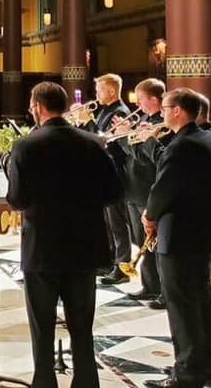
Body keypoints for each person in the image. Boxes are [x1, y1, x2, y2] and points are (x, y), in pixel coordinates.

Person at [5, 82, 122, 388]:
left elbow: (16, 200)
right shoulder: (93, 142)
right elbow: (113, 193)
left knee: (42, 325)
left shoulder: (26, 146)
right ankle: (86, 381)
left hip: (43, 247)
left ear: (38, 107)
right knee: (82, 324)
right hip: (84, 246)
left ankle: (44, 381)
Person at [141, 89, 211, 388]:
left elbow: (163, 188)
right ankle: (203, 368)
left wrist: (149, 216)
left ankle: (186, 374)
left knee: (182, 308)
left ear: (177, 111)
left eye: (164, 108)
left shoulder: (182, 146)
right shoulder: (205, 138)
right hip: (199, 234)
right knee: (200, 304)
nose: (160, 113)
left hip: (178, 237)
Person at [102, 78, 165, 309]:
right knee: (141, 241)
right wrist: (122, 136)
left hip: (145, 188)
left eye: (140, 98)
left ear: (153, 99)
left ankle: (157, 287)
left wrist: (128, 137)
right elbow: (130, 153)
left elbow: (143, 156)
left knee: (151, 243)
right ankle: (150, 286)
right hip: (132, 187)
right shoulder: (146, 120)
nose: (137, 103)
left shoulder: (160, 124)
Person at [89, 74, 133, 279]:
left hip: (115, 173)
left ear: (112, 91)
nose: (96, 94)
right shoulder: (105, 111)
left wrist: (86, 123)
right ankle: (108, 261)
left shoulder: (121, 113)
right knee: (106, 222)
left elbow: (102, 140)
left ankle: (122, 265)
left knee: (117, 222)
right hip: (102, 172)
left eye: (100, 90)